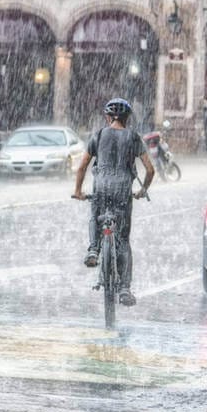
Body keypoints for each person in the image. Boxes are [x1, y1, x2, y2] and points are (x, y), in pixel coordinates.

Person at [72, 97, 155, 306]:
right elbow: (150, 169)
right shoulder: (134, 137)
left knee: (95, 215)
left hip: (101, 188)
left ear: (107, 117)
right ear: (127, 118)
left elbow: (82, 167)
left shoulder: (99, 135)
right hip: (123, 191)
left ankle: (93, 249)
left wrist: (77, 191)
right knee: (123, 241)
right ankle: (125, 288)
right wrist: (142, 189)